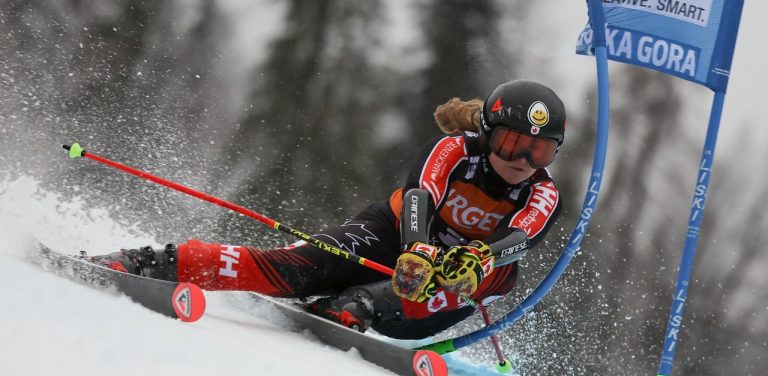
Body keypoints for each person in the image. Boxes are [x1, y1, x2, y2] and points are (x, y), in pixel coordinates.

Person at [92, 80, 565, 340]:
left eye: (539, 152)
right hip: (393, 233)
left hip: (468, 272)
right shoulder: (454, 150)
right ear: (488, 131)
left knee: (463, 275)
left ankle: (354, 306)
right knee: (302, 267)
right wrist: (417, 247)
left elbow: (523, 234)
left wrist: (481, 254)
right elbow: (420, 194)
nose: (521, 162)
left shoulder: (543, 192)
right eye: (512, 143)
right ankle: (161, 262)